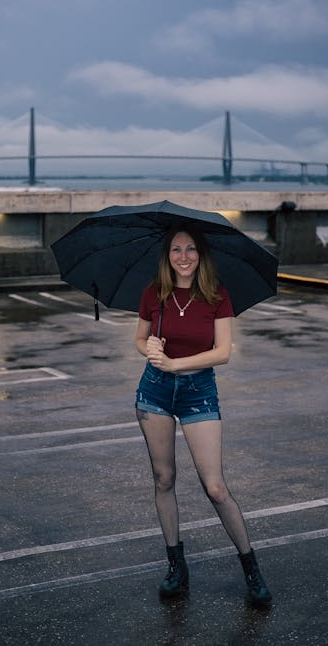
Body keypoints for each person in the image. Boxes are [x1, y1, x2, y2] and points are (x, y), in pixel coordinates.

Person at [134, 225, 272, 606]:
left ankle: (252, 570)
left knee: (215, 487)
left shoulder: (216, 294)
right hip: (155, 392)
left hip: (199, 392)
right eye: (176, 250)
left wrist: (176, 363)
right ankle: (176, 567)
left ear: (201, 254)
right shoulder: (154, 293)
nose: (183, 257)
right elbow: (138, 338)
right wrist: (151, 349)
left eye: (191, 249)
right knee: (164, 478)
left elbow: (223, 351)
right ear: (167, 255)